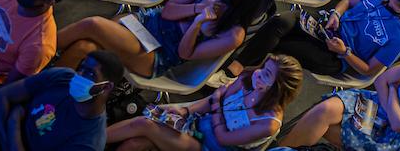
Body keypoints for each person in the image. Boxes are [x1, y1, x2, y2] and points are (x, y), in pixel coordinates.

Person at [54, 0, 268, 77]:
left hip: (158, 53)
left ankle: (41, 50)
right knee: (85, 47)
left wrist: (198, 24)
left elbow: (185, 54)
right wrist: (197, 8)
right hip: (147, 22)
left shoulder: (234, 34)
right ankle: (46, 85)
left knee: (93, 25)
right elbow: (168, 11)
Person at [232, 0, 400, 79]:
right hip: (327, 28)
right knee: (282, 21)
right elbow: (348, 2)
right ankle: (238, 65)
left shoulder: (399, 38)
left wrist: (345, 52)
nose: (386, 3)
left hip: (338, 55)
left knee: (285, 46)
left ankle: (245, 71)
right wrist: (336, 14)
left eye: (393, 6)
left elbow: (368, 71)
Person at [106, 54, 303, 149]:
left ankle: (89, 137)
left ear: (278, 88)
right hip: (195, 126)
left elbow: (223, 138)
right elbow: (210, 100)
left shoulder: (268, 123)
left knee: (144, 124)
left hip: (208, 146)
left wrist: (217, 105)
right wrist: (186, 111)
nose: (259, 73)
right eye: (263, 67)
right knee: (137, 142)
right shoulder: (248, 78)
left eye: (266, 74)